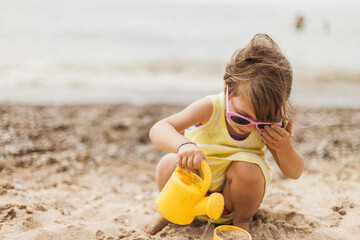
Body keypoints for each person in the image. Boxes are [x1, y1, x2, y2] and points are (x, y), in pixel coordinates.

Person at [144, 33, 304, 235]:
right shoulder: (210, 108)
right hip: (190, 195)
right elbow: (159, 128)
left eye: (260, 122)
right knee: (168, 162)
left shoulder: (267, 124)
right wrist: (184, 145)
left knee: (249, 169)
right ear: (228, 88)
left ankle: (241, 222)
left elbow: (294, 172)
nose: (250, 127)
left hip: (230, 204)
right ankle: (170, 212)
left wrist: (284, 147)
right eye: (241, 118)